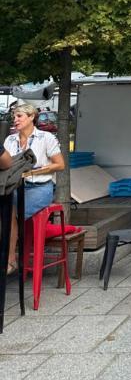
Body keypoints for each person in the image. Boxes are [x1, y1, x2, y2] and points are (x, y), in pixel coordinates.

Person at [4, 103, 64, 275]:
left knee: (12, 212)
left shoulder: (46, 138)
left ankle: (10, 260)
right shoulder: (10, 140)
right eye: (14, 117)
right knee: (5, 210)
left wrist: (33, 171)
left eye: (19, 116)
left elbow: (60, 165)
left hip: (40, 187)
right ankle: (9, 258)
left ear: (31, 117)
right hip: (16, 186)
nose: (15, 120)